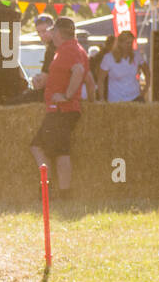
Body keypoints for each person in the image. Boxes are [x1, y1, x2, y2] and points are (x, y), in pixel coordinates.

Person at [30, 17, 88, 199]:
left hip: (61, 109)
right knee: (59, 150)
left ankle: (50, 189)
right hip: (63, 109)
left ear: (59, 33)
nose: (51, 34)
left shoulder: (68, 50)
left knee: (38, 146)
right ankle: (61, 192)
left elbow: (78, 71)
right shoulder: (74, 48)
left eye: (53, 31)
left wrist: (67, 96)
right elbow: (87, 78)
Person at [98, 31, 147, 103]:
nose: (130, 45)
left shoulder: (137, 55)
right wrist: (101, 98)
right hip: (116, 100)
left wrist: (145, 90)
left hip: (135, 97)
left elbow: (147, 71)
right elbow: (100, 79)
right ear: (120, 43)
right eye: (127, 43)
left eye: (131, 43)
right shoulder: (108, 58)